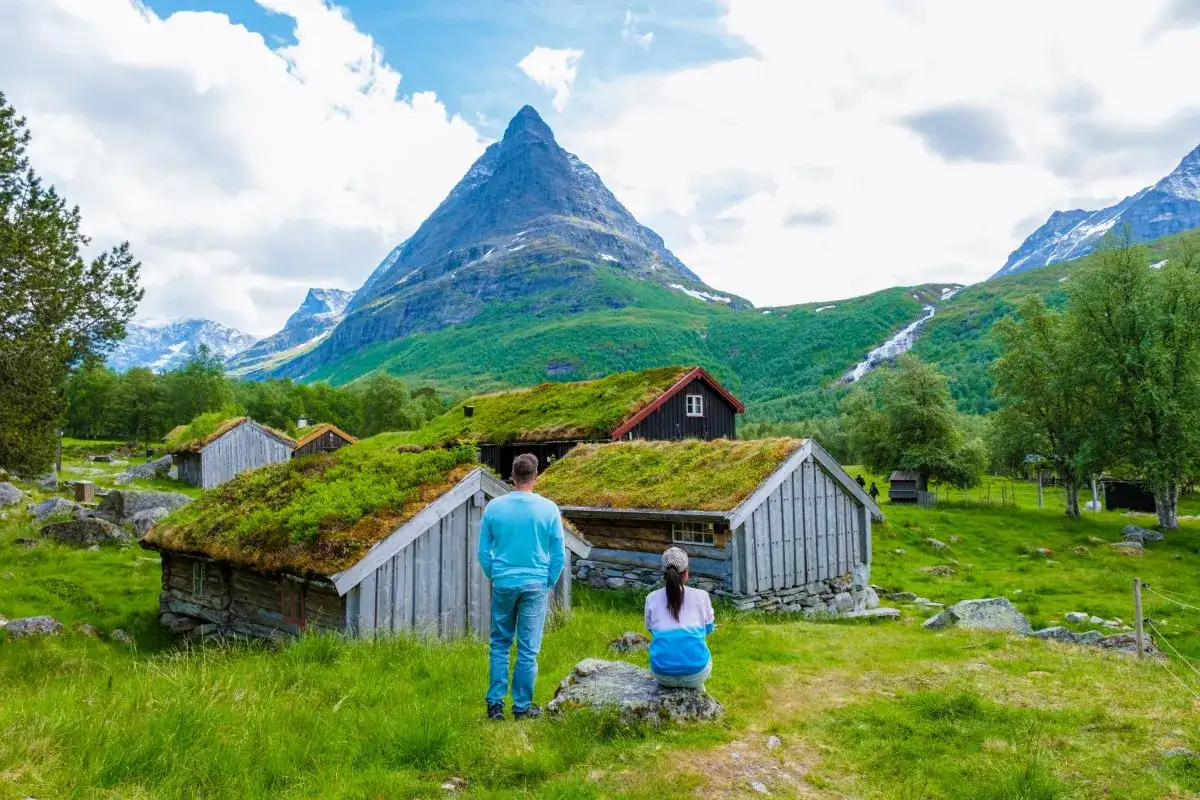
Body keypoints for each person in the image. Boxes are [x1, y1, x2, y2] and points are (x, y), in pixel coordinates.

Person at [478, 453, 565, 721]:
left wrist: (496, 574)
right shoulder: (549, 509)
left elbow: (483, 551)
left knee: (500, 643)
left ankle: (495, 706)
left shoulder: (493, 508)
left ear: (512, 476)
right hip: (536, 583)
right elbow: (558, 553)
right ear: (535, 476)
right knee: (528, 648)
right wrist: (548, 580)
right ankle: (522, 707)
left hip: (504, 581)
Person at [643, 547, 715, 691]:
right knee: (703, 656)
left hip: (661, 673)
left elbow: (652, 630)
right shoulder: (702, 596)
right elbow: (708, 629)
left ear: (664, 574)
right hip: (696, 673)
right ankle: (699, 694)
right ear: (686, 573)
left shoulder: (651, 598)